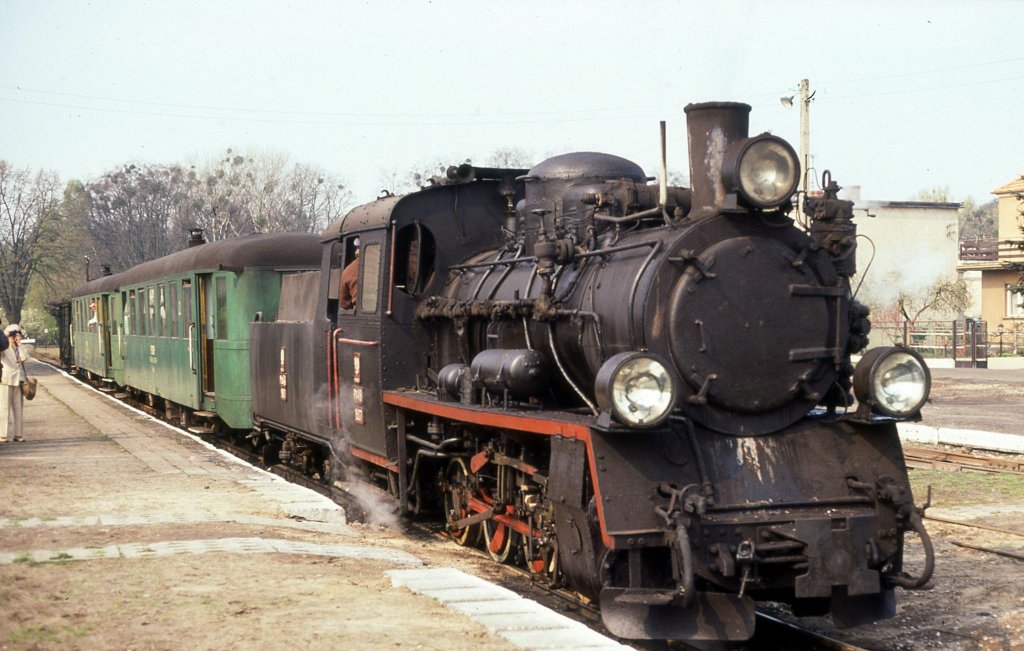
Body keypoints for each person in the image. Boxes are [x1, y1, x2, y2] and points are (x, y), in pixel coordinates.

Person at [1, 323, 29, 443]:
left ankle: (18, 434)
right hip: (6, 379)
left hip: (18, 380)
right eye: (13, 335)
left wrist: (20, 345)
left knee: (18, 409)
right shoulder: (3, 346)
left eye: (17, 334)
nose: (15, 337)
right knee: (4, 408)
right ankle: (3, 435)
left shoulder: (19, 347)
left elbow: (24, 358)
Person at [339, 244, 360, 311]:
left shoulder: (350, 269)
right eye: (357, 248)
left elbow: (344, 304)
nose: (356, 252)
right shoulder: (352, 270)